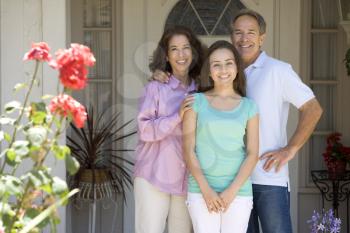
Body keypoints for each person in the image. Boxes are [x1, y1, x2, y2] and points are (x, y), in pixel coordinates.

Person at [153, 9, 323, 233]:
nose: (244, 38)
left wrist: (290, 149)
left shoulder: (278, 71)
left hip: (268, 178)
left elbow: (313, 108)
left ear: (262, 37)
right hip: (229, 180)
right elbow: (184, 71)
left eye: (251, 32)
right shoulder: (224, 69)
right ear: (232, 37)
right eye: (238, 32)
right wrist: (161, 74)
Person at [183, 40, 259, 233]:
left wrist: (231, 192)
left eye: (229, 63)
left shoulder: (249, 106)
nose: (223, 69)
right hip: (201, 191)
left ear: (237, 67)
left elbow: (252, 153)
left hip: (238, 192)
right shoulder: (195, 102)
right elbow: (188, 149)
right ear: (209, 71)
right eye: (216, 64)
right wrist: (207, 191)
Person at [133, 25, 204, 233]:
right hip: (153, 176)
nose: (181, 55)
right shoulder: (155, 88)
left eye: (186, 48)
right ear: (166, 55)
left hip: (186, 179)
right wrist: (177, 116)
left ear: (194, 52)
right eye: (174, 49)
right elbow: (145, 130)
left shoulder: (202, 90)